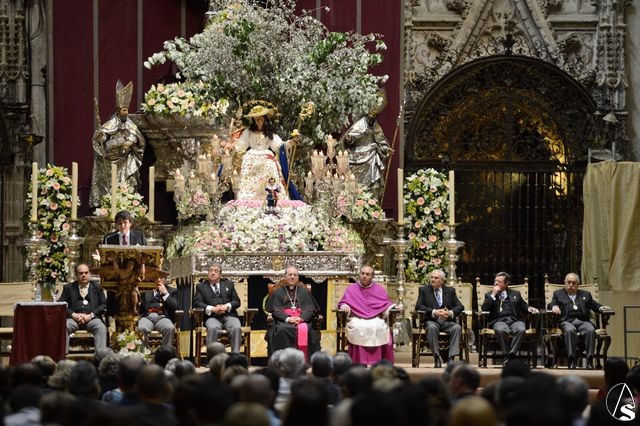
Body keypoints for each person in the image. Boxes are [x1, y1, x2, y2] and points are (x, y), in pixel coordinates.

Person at [90, 80, 145, 207]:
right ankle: (108, 205)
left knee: (127, 184)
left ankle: (128, 204)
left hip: (126, 161)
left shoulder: (130, 123)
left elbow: (137, 137)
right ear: (118, 111)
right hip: (111, 160)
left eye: (127, 110)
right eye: (124, 110)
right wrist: (101, 136)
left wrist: (131, 142)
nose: (126, 112)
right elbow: (102, 139)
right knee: (110, 187)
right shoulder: (111, 123)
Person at [233, 104, 300, 200]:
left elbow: (279, 146)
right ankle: (248, 195)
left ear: (265, 119)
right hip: (251, 156)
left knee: (270, 164)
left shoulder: (269, 132)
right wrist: (233, 148)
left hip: (266, 156)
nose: (258, 121)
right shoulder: (248, 132)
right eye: (256, 119)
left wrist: (291, 142)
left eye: (260, 119)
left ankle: (272, 193)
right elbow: (240, 146)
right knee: (247, 163)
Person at [548, 272, 609, 369]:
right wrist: (554, 306)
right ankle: (571, 360)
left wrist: (602, 308)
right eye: (569, 282)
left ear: (578, 285)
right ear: (565, 283)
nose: (571, 285)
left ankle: (589, 360)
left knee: (590, 330)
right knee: (570, 330)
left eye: (573, 283)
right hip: (566, 321)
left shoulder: (586, 294)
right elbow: (552, 304)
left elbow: (594, 305)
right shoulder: (558, 294)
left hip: (583, 321)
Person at [337, 265, 395, 365]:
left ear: (372, 276)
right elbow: (343, 302)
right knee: (358, 328)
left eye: (367, 274)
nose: (364, 276)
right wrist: (344, 306)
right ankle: (359, 361)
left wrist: (393, 307)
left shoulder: (379, 289)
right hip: (357, 318)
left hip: (375, 318)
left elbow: (386, 304)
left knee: (380, 327)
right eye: (362, 273)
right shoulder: (351, 289)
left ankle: (378, 362)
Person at [339, 94, 391, 200]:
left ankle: (372, 205)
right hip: (357, 158)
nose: (372, 117)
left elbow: (382, 141)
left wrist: (386, 149)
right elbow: (350, 137)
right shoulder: (360, 124)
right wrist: (349, 139)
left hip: (371, 158)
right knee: (356, 187)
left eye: (375, 115)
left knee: (373, 185)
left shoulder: (375, 126)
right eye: (371, 114)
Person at [481, 272, 539, 365]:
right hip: (499, 321)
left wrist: (529, 308)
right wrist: (493, 294)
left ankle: (509, 356)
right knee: (500, 330)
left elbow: (523, 305)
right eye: (495, 281)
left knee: (521, 329)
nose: (496, 283)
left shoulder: (515, 293)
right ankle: (509, 356)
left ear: (506, 283)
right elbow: (484, 309)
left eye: (499, 281)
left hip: (515, 320)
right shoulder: (489, 295)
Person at [265, 266, 321, 358]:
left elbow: (310, 310)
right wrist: (288, 319)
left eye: (295, 275)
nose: (292, 277)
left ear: (298, 277)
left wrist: (301, 318)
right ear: (285, 276)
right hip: (283, 321)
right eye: (290, 274)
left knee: (308, 329)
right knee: (281, 329)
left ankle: (305, 361)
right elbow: (275, 311)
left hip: (301, 320)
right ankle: (283, 360)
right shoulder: (277, 292)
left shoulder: (304, 291)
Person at [415, 269, 465, 367]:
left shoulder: (450, 291)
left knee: (457, 328)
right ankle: (437, 357)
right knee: (432, 328)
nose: (432, 280)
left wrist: (450, 313)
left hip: (447, 322)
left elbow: (460, 306)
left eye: (436, 278)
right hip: (432, 321)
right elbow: (418, 306)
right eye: (431, 277)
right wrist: (434, 312)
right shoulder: (424, 290)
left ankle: (451, 359)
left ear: (442, 280)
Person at [59, 263, 108, 353]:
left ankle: (100, 357)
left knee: (100, 327)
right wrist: (73, 314)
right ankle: (62, 356)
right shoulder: (68, 288)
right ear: (76, 275)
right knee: (64, 326)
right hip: (73, 319)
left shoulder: (97, 287)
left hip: (92, 319)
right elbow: (61, 305)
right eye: (81, 273)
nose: (84, 275)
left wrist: (91, 315)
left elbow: (103, 305)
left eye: (86, 273)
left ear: (90, 274)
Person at [193, 264, 242, 352]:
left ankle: (235, 356)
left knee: (236, 328)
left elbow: (237, 301)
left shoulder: (228, 284)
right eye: (210, 270)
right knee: (212, 328)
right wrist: (212, 309)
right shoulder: (201, 286)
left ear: (220, 274)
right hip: (212, 317)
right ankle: (212, 358)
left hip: (229, 315)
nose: (212, 273)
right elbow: (197, 303)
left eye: (215, 271)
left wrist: (226, 306)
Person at [137, 276, 178, 348]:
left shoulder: (172, 291)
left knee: (169, 328)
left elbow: (174, 307)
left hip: (162, 317)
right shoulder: (146, 290)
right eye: (156, 278)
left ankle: (165, 353)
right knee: (141, 328)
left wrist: (165, 293)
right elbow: (140, 308)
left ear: (165, 279)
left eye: (161, 278)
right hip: (147, 317)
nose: (159, 280)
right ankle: (144, 354)